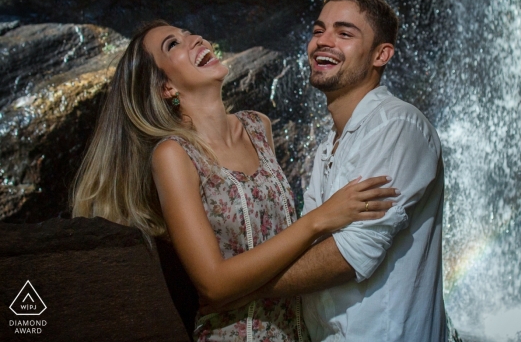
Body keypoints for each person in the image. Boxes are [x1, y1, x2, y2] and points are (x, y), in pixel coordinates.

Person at [71, 19, 398, 341]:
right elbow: (213, 284)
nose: (195, 38)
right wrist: (319, 220)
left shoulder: (258, 127)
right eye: (173, 44)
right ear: (166, 87)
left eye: (188, 33)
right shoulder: (173, 155)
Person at [218, 0, 448, 341]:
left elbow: (351, 254)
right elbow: (310, 241)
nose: (323, 41)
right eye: (318, 30)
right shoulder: (329, 145)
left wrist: (239, 289)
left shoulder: (398, 126)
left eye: (344, 33)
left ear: (381, 55)